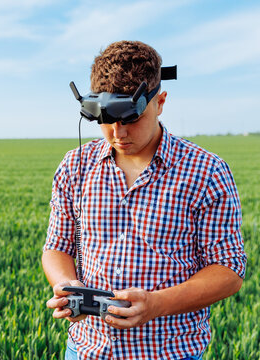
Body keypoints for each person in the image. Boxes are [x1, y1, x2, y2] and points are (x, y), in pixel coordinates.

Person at [42, 41, 246, 360]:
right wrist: (68, 287)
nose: (118, 132)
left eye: (130, 118)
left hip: (170, 352)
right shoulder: (74, 166)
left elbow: (228, 270)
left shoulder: (207, 171)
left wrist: (156, 305)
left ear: (160, 101)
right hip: (85, 349)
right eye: (106, 120)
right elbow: (57, 246)